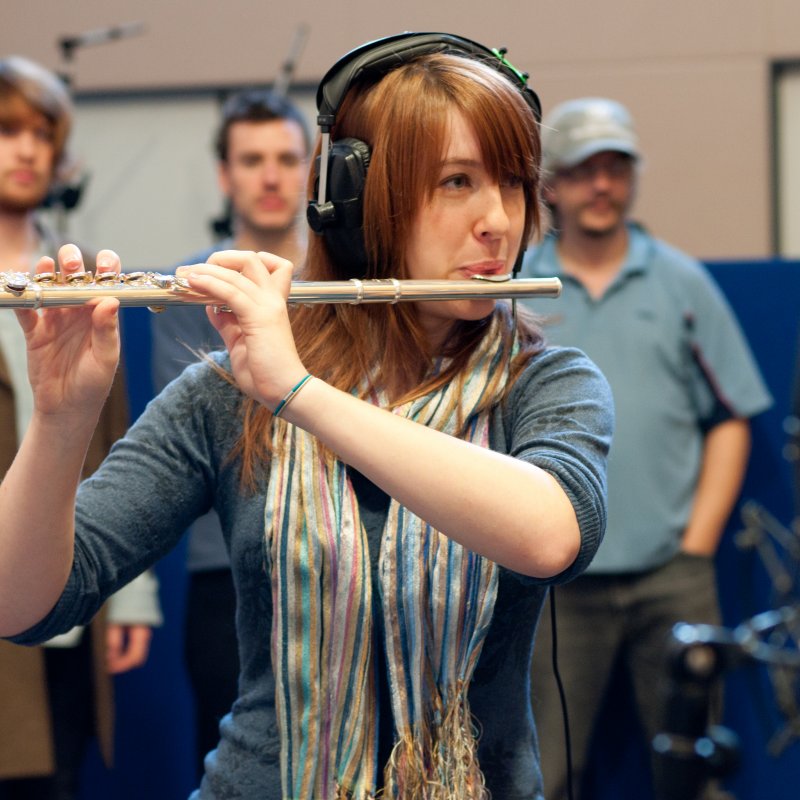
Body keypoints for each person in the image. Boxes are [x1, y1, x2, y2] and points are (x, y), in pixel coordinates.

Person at [0, 34, 613, 800]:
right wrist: (60, 423)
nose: (498, 221)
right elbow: (20, 605)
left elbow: (551, 533)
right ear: (357, 202)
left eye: (515, 184)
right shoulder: (226, 396)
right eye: (458, 181)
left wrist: (300, 391)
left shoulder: (544, 381)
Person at [519, 97, 773, 799]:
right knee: (547, 772)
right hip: (554, 585)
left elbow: (729, 417)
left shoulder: (683, 285)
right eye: (582, 171)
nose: (601, 185)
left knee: (694, 770)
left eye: (615, 168)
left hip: (672, 577)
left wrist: (696, 545)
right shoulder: (518, 293)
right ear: (551, 188)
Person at [0, 55, 162, 800]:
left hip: (65, 577)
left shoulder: (79, 278)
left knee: (54, 772)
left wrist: (127, 595)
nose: (27, 150)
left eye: (42, 133)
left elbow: (115, 440)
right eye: (7, 130)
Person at [150, 89, 310, 777]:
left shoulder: (352, 284)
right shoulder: (189, 292)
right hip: (228, 567)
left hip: (343, 554)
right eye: (252, 160)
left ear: (311, 170)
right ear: (226, 175)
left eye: (285, 158)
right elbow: (200, 438)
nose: (270, 177)